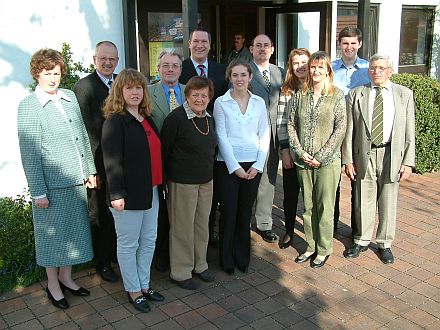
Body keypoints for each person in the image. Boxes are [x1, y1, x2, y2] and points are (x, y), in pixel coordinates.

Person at [17, 48, 96, 309]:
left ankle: (67, 277)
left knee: (74, 234)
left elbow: (82, 136)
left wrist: (89, 170)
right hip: (50, 188)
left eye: (57, 73)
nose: (53, 78)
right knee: (52, 238)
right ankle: (53, 284)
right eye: (47, 73)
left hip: (75, 181)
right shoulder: (29, 106)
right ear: (37, 74)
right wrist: (38, 191)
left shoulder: (70, 96)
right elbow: (29, 153)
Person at [101, 69, 165, 313]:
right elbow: (111, 161)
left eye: (139, 87)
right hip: (128, 195)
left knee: (148, 241)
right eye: (129, 88)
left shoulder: (145, 117)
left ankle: (145, 284)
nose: (135, 92)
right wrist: (117, 194)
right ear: (120, 91)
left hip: (152, 190)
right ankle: (133, 289)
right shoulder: (115, 121)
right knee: (128, 244)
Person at [342, 53, 415, 264]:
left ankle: (384, 243)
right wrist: (347, 159)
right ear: (368, 70)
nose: (377, 71)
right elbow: (349, 131)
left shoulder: (404, 94)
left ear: (390, 71)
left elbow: (410, 131)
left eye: (382, 68)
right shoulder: (356, 94)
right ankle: (362, 240)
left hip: (391, 153)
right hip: (364, 153)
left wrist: (408, 161)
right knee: (363, 198)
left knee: (388, 199)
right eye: (373, 68)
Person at [288, 51, 346, 268]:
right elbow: (291, 125)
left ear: (328, 70)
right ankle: (310, 246)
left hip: (327, 163)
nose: (316, 71)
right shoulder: (299, 95)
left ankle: (324, 249)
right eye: (313, 67)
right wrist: (300, 152)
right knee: (308, 206)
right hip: (303, 160)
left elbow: (340, 128)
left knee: (325, 205)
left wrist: (321, 156)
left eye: (321, 67)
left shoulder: (337, 96)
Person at [214, 60, 270, 275]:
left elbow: (264, 134)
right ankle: (226, 258)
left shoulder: (258, 102)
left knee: (245, 212)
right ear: (229, 77)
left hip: (253, 164)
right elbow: (221, 135)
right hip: (227, 165)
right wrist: (235, 167)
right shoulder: (221, 102)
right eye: (235, 75)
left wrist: (258, 165)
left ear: (249, 77)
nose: (239, 79)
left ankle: (242, 256)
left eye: (243, 75)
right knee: (229, 211)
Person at [161, 76, 218, 290]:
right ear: (187, 96)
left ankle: (200, 264)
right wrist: (164, 181)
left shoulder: (209, 118)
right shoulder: (175, 119)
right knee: (182, 227)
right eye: (195, 95)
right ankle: (180, 271)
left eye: (204, 95)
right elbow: (164, 151)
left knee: (202, 225)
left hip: (206, 181)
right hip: (182, 182)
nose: (200, 99)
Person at [73, 41, 119, 283]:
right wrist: (90, 169)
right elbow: (81, 130)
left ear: (118, 60)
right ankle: (101, 262)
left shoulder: (121, 83)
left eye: (112, 59)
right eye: (103, 58)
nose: (108, 62)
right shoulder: (84, 87)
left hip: (118, 164)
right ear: (94, 59)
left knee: (116, 211)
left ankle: (113, 254)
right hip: (97, 164)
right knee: (99, 213)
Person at [179, 27, 228, 247]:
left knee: (212, 192)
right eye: (196, 41)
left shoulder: (221, 70)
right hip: (189, 142)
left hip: (216, 137)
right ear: (189, 44)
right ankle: (188, 243)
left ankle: (208, 235)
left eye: (204, 41)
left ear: (210, 45)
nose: (200, 45)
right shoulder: (180, 68)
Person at [148, 50, 186, 273]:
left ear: (181, 70)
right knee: (162, 212)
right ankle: (161, 254)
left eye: (175, 65)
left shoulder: (189, 91)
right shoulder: (147, 92)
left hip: (184, 162)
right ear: (158, 69)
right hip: (159, 161)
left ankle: (178, 253)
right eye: (166, 65)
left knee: (181, 212)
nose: (170, 69)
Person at [332, 27, 370, 233]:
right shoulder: (330, 68)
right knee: (333, 182)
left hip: (358, 133)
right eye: (345, 43)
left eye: (353, 43)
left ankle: (358, 231)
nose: (349, 47)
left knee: (358, 183)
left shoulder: (368, 69)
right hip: (335, 131)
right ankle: (332, 224)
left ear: (360, 44)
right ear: (339, 44)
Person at [249, 34, 285, 243]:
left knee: (268, 179)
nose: (262, 49)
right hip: (250, 136)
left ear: (272, 49)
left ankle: (264, 223)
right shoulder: (243, 71)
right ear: (251, 49)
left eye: (266, 46)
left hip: (273, 137)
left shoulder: (280, 73)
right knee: (247, 178)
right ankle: (243, 220)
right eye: (258, 46)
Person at [276, 48, 311, 249]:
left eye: (303, 62)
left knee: (310, 197)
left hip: (311, 152)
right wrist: (285, 151)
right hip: (291, 151)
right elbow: (281, 122)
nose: (300, 67)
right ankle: (289, 231)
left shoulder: (318, 88)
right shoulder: (286, 90)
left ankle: (311, 235)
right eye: (296, 63)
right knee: (290, 195)